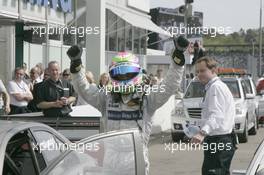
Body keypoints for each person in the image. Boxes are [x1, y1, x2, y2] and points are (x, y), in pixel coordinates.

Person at [67, 35, 189, 175]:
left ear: (136, 74)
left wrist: (178, 59)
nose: (123, 77)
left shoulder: (147, 97)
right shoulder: (107, 97)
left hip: (135, 156)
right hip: (111, 156)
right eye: (119, 73)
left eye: (127, 74)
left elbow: (169, 86)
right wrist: (76, 66)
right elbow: (85, 90)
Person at [191, 56, 236, 175]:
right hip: (218, 140)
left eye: (202, 71)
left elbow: (216, 115)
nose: (199, 74)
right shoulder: (213, 87)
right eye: (197, 71)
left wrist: (202, 133)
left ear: (213, 70)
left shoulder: (215, 87)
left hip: (219, 140)